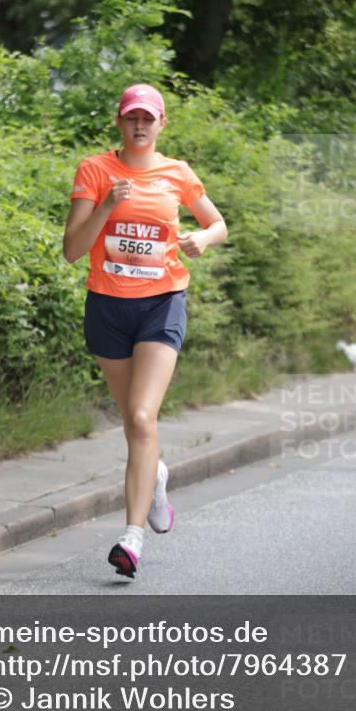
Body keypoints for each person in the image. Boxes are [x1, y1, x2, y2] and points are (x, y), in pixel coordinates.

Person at [62, 83, 228, 579]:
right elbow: (72, 249)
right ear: (119, 121)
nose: (139, 126)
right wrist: (108, 205)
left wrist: (202, 237)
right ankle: (154, 475)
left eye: (148, 119)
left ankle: (131, 538)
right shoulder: (94, 170)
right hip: (108, 307)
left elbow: (218, 223)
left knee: (140, 417)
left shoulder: (177, 173)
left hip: (162, 302)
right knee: (136, 426)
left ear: (161, 124)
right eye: (131, 118)